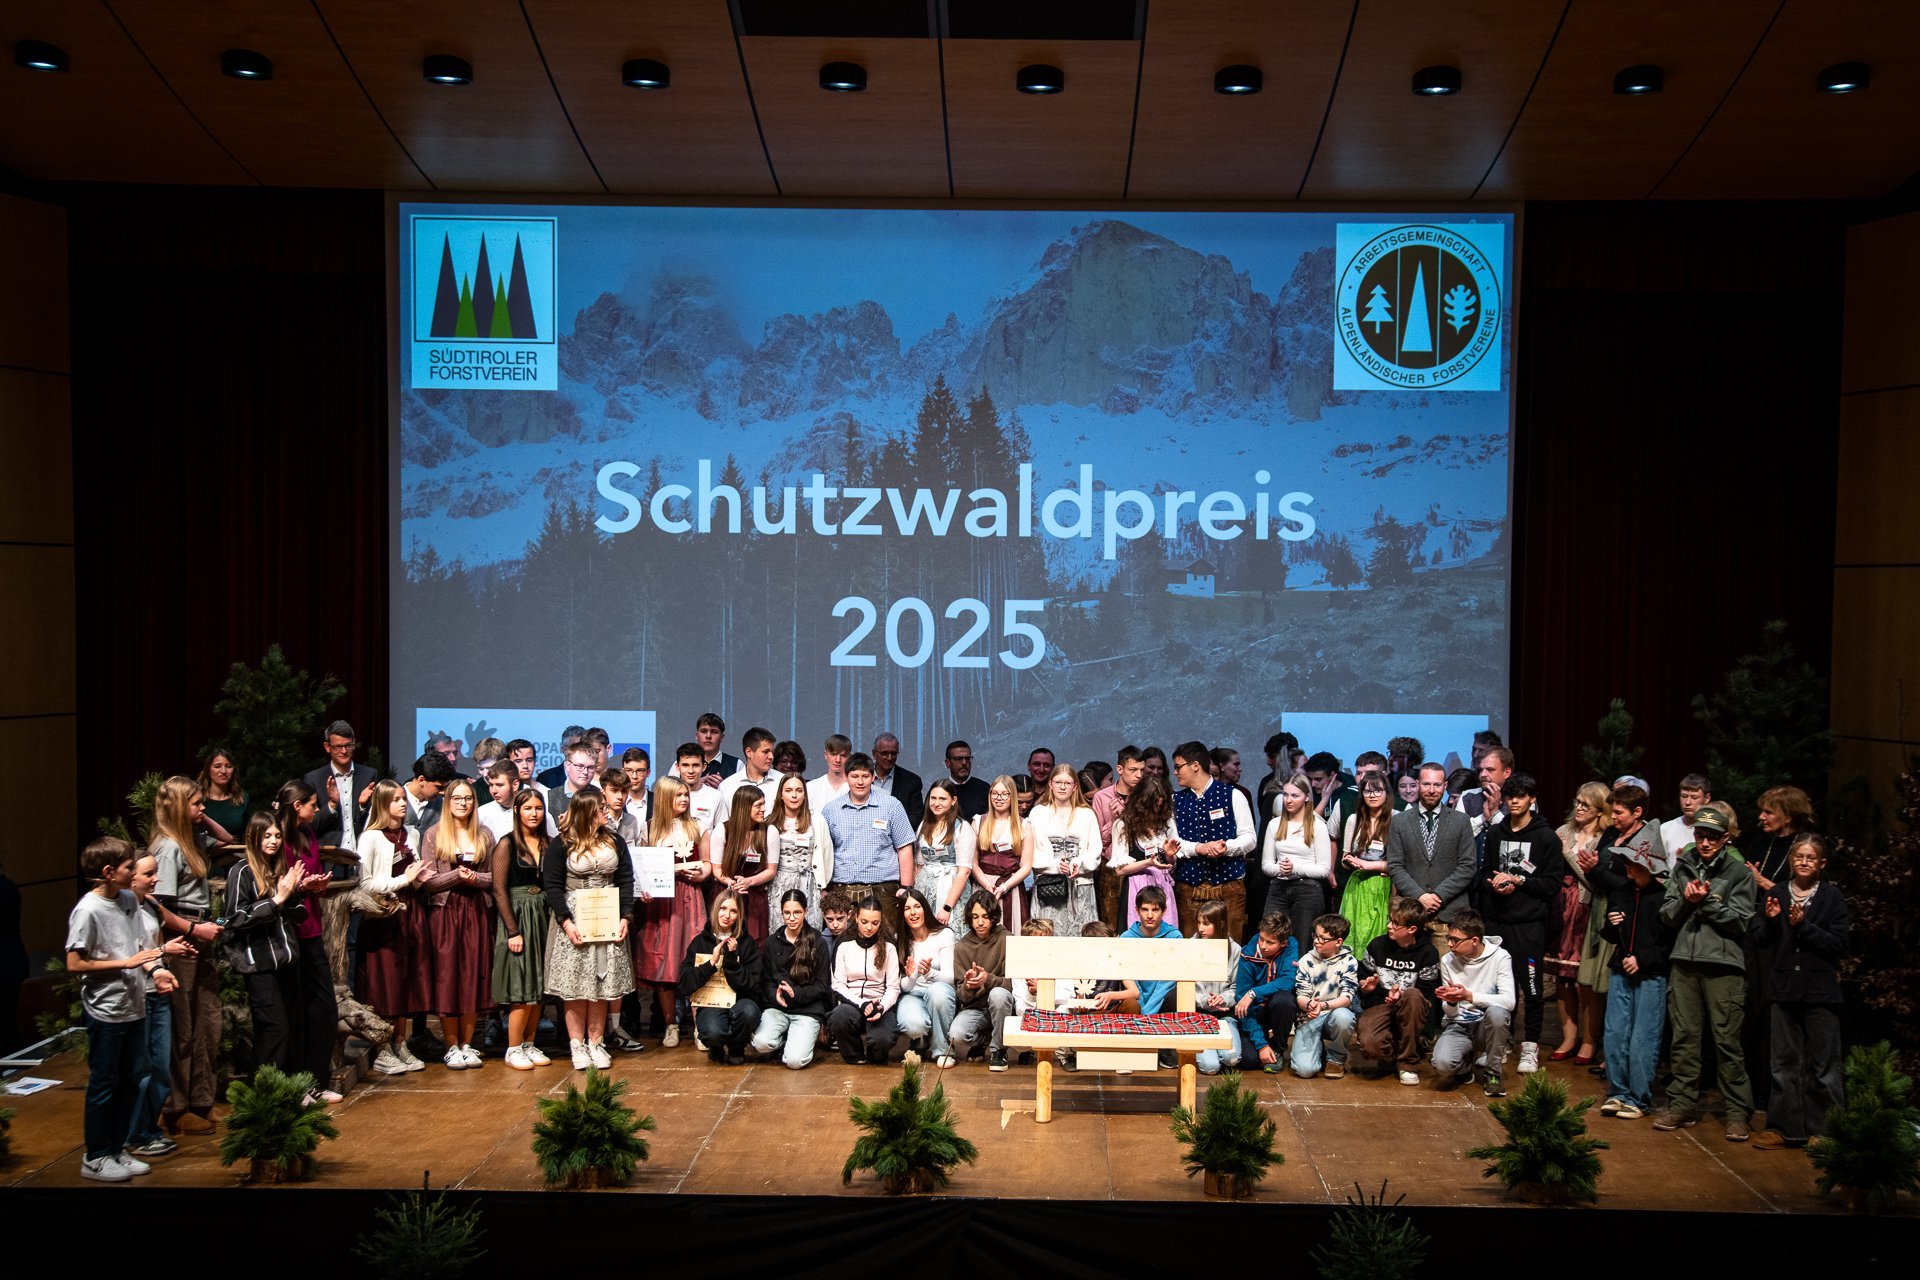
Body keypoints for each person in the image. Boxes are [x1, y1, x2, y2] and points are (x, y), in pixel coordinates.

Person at [68, 838, 172, 1181]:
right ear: (109, 872)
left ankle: (116, 1148)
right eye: (129, 867)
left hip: (134, 1004)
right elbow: (75, 962)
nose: (134, 872)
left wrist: (157, 971)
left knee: (131, 1081)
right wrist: (124, 963)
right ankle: (96, 1155)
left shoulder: (127, 900)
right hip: (106, 1009)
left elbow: (140, 946)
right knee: (104, 1083)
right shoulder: (88, 909)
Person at [1654, 804, 1757, 1140]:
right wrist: (1687, 901)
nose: (1706, 843)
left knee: (1727, 1041)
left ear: (1725, 838)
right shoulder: (1684, 866)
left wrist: (1707, 901)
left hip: (1723, 966)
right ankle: (1682, 1104)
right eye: (1700, 836)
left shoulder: (1738, 872)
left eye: (1713, 837)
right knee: (1684, 1038)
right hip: (1685, 963)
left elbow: (1741, 922)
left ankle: (1738, 1112)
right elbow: (1667, 915)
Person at [1752, 833, 1851, 1150]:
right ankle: (1784, 1128)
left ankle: (1826, 1130)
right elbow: (1759, 938)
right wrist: (1771, 922)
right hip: (1784, 989)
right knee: (1784, 1062)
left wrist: (1804, 926)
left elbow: (1839, 943)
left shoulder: (1832, 897)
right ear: (1791, 860)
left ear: (1821, 863)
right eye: (1799, 857)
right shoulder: (1778, 893)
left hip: (1820, 991)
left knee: (1823, 1066)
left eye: (1810, 858)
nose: (1804, 862)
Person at [1473, 773, 1566, 1075]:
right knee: (1498, 986)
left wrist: (1519, 881)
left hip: (1529, 924)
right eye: (1510, 796)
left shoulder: (1546, 837)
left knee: (1531, 987)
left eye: (1521, 796)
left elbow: (1552, 884)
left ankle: (1531, 1046)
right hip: (1497, 922)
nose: (1514, 801)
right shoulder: (1496, 832)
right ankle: (1502, 1043)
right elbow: (1483, 874)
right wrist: (1494, 885)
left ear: (1532, 799)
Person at [543, 789, 636, 1069]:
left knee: (601, 982)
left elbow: (626, 880)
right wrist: (566, 921)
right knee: (577, 984)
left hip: (607, 915)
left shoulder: (615, 841)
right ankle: (577, 1044)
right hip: (576, 916)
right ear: (586, 811)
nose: (606, 812)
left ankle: (596, 1042)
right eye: (600, 809)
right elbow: (553, 886)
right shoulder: (561, 844)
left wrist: (625, 916)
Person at [150, 776, 222, 1133]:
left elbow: (227, 838)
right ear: (179, 807)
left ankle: (201, 1099)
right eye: (196, 803)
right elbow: (157, 907)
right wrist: (194, 930)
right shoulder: (167, 848)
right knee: (183, 1026)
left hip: (201, 933)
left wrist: (200, 817)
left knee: (206, 1022)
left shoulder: (191, 838)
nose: (203, 808)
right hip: (182, 937)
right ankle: (175, 1109)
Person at [1743, 784, 1815, 1116]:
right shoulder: (1761, 843)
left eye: (1768, 811)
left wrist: (1764, 884)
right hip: (1759, 935)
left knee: (1776, 1016)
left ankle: (1776, 1092)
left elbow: (1805, 894)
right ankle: (1753, 1088)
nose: (1761, 817)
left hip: (1787, 942)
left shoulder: (1802, 849)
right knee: (1754, 1013)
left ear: (1787, 815)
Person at [222, 812, 311, 1076]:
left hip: (286, 960)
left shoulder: (280, 869)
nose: (273, 841)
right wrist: (275, 901)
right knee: (274, 1031)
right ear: (253, 837)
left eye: (277, 836)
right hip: (259, 964)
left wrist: (297, 891)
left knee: (292, 1028)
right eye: (267, 836)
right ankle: (266, 1090)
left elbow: (298, 913)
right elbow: (235, 918)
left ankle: (291, 1088)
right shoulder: (241, 871)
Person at [418, 777, 495, 1068]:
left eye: (468, 798)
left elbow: (493, 877)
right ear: (448, 802)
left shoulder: (484, 834)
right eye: (457, 798)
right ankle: (451, 1046)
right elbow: (428, 881)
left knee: (473, 975)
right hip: (445, 912)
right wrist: (456, 876)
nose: (463, 803)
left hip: (476, 911)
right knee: (447, 976)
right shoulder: (434, 834)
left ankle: (467, 1044)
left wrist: (475, 878)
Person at [356, 780, 430, 1075]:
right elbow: (366, 884)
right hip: (384, 917)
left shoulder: (411, 833)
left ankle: (400, 1042)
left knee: (405, 982)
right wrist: (404, 880)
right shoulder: (371, 838)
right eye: (395, 799)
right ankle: (382, 1048)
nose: (402, 804)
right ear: (382, 804)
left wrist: (420, 879)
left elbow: (414, 872)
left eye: (402, 798)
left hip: (410, 913)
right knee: (384, 984)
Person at [1598, 845, 1670, 1120]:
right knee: (1615, 1033)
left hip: (1651, 974)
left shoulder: (1663, 897)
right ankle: (1617, 1092)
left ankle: (1639, 1099)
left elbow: (1669, 943)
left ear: (1649, 866)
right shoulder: (1621, 893)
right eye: (1626, 861)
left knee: (1643, 1038)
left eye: (1633, 862)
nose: (1627, 866)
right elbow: (1611, 935)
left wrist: (1642, 959)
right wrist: (1611, 923)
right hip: (1621, 970)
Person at [637, 775, 709, 1047]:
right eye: (678, 795)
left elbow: (707, 863)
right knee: (664, 962)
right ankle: (671, 1024)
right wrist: (647, 888)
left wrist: (701, 874)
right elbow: (642, 869)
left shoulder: (697, 826)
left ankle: (701, 1026)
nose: (683, 799)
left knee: (696, 959)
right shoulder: (650, 829)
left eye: (685, 795)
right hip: (663, 902)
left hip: (690, 898)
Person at [823, 753, 917, 942]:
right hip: (842, 891)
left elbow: (904, 847)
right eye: (855, 776)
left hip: (883, 891)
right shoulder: (831, 810)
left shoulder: (891, 806)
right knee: (843, 945)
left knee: (886, 943)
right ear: (846, 777)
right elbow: (825, 852)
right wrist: (824, 888)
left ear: (873, 777)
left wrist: (906, 887)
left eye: (865, 776)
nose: (860, 782)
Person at [491, 788, 554, 1070]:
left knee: (537, 985)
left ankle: (530, 1043)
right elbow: (499, 889)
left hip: (542, 914)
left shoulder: (548, 844)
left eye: (538, 808)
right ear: (517, 811)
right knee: (521, 984)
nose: (534, 813)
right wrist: (513, 930)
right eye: (528, 808)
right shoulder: (506, 844)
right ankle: (513, 1047)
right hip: (518, 915)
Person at [1171, 739, 1256, 944]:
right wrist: (1199, 848)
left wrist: (1227, 847)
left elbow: (1250, 838)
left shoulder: (1233, 795)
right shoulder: (1175, 800)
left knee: (1229, 947)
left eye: (1178, 767)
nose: (1175, 772)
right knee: (1191, 948)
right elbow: (1172, 841)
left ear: (1195, 766)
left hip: (1228, 885)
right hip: (1190, 886)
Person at [1384, 763, 1477, 945]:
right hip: (1409, 914)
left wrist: (1439, 896)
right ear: (1418, 784)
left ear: (1445, 786)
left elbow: (1468, 866)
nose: (1432, 790)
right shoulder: (1399, 821)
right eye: (1426, 784)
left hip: (1448, 914)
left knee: (1446, 964)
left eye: (1437, 784)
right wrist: (1420, 896)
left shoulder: (1461, 821)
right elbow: (1395, 865)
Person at [1551, 781, 1610, 1064]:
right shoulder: (1564, 832)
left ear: (1600, 810)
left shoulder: (1605, 838)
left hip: (1588, 911)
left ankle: (1589, 1040)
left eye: (1586, 804)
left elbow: (1595, 882)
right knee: (1563, 978)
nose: (1579, 808)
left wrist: (1568, 854)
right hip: (1562, 909)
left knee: (1585, 981)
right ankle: (1569, 1036)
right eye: (1577, 802)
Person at [1355, 899, 1442, 1085]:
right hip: (1380, 1003)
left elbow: (1426, 993)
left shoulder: (1428, 953)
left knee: (1413, 995)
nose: (1389, 926)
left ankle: (1407, 1063)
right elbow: (1363, 976)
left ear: (1412, 929)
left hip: (1411, 1006)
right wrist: (1366, 986)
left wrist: (1401, 996)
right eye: (1390, 920)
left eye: (1395, 923)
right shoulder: (1377, 945)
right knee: (1370, 1045)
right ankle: (1392, 1055)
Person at [1432, 908, 1515, 1097]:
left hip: (1486, 1026)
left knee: (1497, 1013)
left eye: (1455, 940)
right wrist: (1451, 1002)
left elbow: (1509, 1001)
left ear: (1475, 940)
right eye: (1448, 938)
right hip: (1459, 1024)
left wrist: (1469, 996)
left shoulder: (1500, 957)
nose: (1450, 944)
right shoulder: (1447, 960)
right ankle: (1465, 1066)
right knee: (1442, 1064)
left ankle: (1493, 1074)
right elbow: (1450, 1014)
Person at [751, 890, 835, 1069]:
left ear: (805, 912)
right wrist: (775, 995)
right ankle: (786, 1040)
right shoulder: (773, 942)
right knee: (761, 1043)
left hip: (807, 1010)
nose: (791, 918)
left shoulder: (817, 942)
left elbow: (822, 986)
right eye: (787, 913)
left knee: (795, 1062)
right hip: (778, 1009)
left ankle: (799, 1041)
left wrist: (796, 993)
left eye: (797, 912)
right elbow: (765, 981)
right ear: (781, 913)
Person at [678, 889, 762, 1065]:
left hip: (741, 1001)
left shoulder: (747, 943)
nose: (727, 915)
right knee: (713, 1031)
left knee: (749, 1012)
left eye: (733, 911)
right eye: (723, 909)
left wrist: (731, 961)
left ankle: (736, 1047)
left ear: (739, 915)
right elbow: (685, 984)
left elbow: (753, 983)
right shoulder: (699, 942)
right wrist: (710, 963)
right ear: (715, 910)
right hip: (711, 1003)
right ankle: (715, 1046)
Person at [1027, 763, 1102, 937]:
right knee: (1047, 936)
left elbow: (1095, 849)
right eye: (1058, 782)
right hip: (1049, 886)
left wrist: (1079, 863)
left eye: (1067, 783)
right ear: (1050, 784)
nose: (1062, 787)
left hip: (1080, 886)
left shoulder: (1086, 814)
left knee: (1082, 937)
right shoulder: (1038, 813)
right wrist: (1054, 865)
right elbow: (1031, 851)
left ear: (1075, 786)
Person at [828, 895, 902, 1065]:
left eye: (875, 923)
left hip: (879, 1004)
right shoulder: (843, 944)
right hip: (852, 1003)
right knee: (839, 1018)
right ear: (856, 917)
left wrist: (881, 1006)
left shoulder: (889, 946)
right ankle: (854, 1055)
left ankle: (876, 1053)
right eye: (864, 922)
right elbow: (838, 985)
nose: (869, 927)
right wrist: (862, 1004)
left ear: (881, 921)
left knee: (883, 1040)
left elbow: (893, 987)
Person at [949, 891, 1015, 1071]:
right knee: (957, 1035)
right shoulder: (962, 946)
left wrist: (988, 979)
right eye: (975, 917)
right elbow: (962, 996)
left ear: (993, 917)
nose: (980, 922)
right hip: (977, 1008)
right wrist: (969, 985)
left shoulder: (1006, 939)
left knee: (998, 995)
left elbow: (1014, 984)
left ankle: (998, 1050)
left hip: (1003, 1005)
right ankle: (986, 1038)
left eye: (985, 917)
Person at [894, 888, 958, 1067]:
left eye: (917, 907)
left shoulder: (944, 934)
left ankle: (943, 1050)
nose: (913, 913)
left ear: (925, 909)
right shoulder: (899, 939)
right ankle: (922, 1038)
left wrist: (930, 973)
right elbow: (903, 986)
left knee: (937, 993)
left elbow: (950, 977)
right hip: (912, 994)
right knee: (913, 1025)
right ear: (902, 915)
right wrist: (912, 975)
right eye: (907, 909)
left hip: (940, 991)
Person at [1291, 914, 1359, 1079]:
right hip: (1309, 1016)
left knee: (1344, 1018)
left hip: (1333, 1014)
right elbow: (1301, 995)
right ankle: (1317, 1050)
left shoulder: (1349, 962)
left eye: (1322, 938)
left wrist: (1323, 1005)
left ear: (1338, 942)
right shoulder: (1306, 960)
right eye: (1315, 936)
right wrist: (1310, 1005)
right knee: (1305, 1070)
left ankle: (1336, 1058)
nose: (1316, 941)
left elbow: (1347, 997)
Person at [1109, 775, 1180, 932]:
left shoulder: (1166, 822)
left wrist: (1169, 855)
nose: (1156, 811)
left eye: (1160, 806)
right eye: (1153, 806)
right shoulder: (1123, 825)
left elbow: (1171, 863)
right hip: (1137, 887)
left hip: (1162, 887)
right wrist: (1148, 863)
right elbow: (1120, 870)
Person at [1231, 911, 1300, 1073]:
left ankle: (1277, 1048)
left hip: (1275, 1008)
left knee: (1285, 1000)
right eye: (1261, 939)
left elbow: (1287, 981)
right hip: (1254, 1013)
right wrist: (1261, 1045)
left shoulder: (1290, 945)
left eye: (1270, 942)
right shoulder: (1248, 953)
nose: (1263, 945)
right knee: (1249, 1060)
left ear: (1283, 943)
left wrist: (1253, 992)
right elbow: (1242, 1003)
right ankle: (1264, 1043)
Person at [1261, 775, 1332, 932]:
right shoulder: (1274, 824)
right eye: (1285, 795)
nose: (1289, 800)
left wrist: (1295, 868)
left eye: (1295, 795)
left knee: (1302, 939)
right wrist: (1281, 869)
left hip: (1308, 889)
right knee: (1270, 934)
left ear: (1306, 797)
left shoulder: (1318, 826)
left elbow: (1324, 869)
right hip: (1278, 887)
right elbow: (1266, 865)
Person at [1337, 774, 1394, 954]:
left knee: (1378, 936)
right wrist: (1349, 861)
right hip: (1357, 885)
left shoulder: (1396, 818)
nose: (1372, 795)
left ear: (1386, 793)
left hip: (1383, 885)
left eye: (1377, 790)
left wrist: (1372, 866)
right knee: (1352, 934)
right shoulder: (1354, 819)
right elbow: (1345, 856)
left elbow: (1399, 863)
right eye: (1367, 791)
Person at [710, 787, 776, 944]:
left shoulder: (769, 831)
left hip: (755, 896)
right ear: (744, 807)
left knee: (754, 942)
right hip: (727, 894)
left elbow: (771, 870)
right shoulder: (722, 829)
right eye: (758, 805)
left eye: (763, 804)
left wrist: (749, 882)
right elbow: (717, 869)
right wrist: (731, 883)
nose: (763, 809)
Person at [767, 771, 831, 932]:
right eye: (789, 790)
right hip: (778, 885)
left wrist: (823, 886)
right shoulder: (770, 821)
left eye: (799, 790)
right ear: (781, 795)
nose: (794, 795)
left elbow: (827, 854)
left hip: (809, 884)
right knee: (780, 930)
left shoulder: (816, 819)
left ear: (804, 795)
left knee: (809, 933)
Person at [1090, 746, 1145, 927]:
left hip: (1139, 865)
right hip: (1111, 867)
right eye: (1133, 770)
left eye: (1142, 770)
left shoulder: (1145, 796)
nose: (1138, 775)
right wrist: (1115, 822)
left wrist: (1128, 818)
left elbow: (1150, 834)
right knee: (1111, 921)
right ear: (1120, 769)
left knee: (1140, 920)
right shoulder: (1102, 797)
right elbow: (1098, 841)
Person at [971, 774, 1033, 934]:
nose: (999, 798)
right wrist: (987, 886)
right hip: (984, 885)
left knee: (1010, 933)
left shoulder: (1024, 825)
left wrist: (1004, 887)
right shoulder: (978, 822)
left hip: (1010, 887)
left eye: (1005, 794)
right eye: (995, 793)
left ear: (1012, 797)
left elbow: (1026, 867)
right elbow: (972, 863)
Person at [306, 720, 377, 855]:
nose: (344, 751)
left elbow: (378, 820)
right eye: (338, 747)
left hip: (362, 854)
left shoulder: (369, 776)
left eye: (348, 746)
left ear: (354, 744)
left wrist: (362, 806)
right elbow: (310, 826)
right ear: (327, 747)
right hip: (330, 857)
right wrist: (332, 805)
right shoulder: (314, 779)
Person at [912, 779, 976, 928]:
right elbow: (918, 864)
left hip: (950, 892)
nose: (936, 803)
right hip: (925, 889)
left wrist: (947, 907)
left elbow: (964, 872)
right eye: (933, 798)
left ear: (953, 801)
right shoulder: (924, 825)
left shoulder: (962, 828)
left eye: (942, 799)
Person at [1191, 901, 1242, 1075]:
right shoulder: (1190, 947)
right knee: (1210, 1067)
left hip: (1224, 1015)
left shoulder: (1235, 950)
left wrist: (1223, 998)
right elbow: (1185, 988)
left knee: (1231, 1058)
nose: (1201, 928)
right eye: (1199, 923)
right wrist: (1205, 1000)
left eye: (1206, 924)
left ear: (1220, 924)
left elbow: (1236, 986)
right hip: (1199, 1014)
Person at [1120, 884, 1183, 1014]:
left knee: (1176, 997)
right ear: (1137, 910)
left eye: (1155, 910)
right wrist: (1143, 1008)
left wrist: (1148, 1012)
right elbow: (1129, 977)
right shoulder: (1126, 938)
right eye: (1144, 909)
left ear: (1164, 911)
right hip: (1138, 1000)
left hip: (1163, 999)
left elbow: (1168, 981)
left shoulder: (1174, 937)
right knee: (1130, 1004)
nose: (1149, 915)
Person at [716, 727, 780, 814]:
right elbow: (724, 821)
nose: (771, 757)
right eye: (766, 752)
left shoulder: (782, 782)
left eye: (772, 752)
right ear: (749, 752)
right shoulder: (727, 787)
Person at [1455, 746, 1513, 838]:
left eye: (1490, 770)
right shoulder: (1467, 796)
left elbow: (1518, 837)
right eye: (1480, 770)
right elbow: (1456, 835)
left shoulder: (1520, 798)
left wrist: (1495, 813)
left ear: (1507, 772)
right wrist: (1483, 818)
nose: (1482, 774)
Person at [195, 747, 247, 845]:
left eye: (228, 766)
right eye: (217, 766)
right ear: (208, 769)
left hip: (236, 851)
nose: (223, 771)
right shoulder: (196, 798)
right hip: (202, 851)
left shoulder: (242, 797)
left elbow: (249, 832)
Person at [871, 732, 924, 828]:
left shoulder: (912, 781)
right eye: (884, 753)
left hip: (897, 835)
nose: (889, 758)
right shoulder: (860, 778)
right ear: (874, 754)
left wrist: (886, 826)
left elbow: (916, 817)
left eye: (893, 753)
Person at [1659, 774, 1713, 867]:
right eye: (1684, 796)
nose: (1687, 802)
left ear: (1706, 798)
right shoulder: (1665, 829)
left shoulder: (1715, 830)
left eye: (1694, 797)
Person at [941, 740, 991, 820]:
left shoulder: (984, 789)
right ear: (947, 763)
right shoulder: (939, 790)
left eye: (967, 758)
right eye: (959, 759)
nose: (964, 763)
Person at [808, 733, 853, 813]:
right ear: (825, 755)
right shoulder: (811, 788)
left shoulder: (856, 787)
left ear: (849, 757)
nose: (838, 760)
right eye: (834, 754)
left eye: (843, 755)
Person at [696, 712, 740, 779]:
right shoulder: (683, 763)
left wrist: (724, 785)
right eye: (704, 731)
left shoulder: (736, 764)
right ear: (697, 736)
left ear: (722, 737)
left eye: (714, 732)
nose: (708, 736)